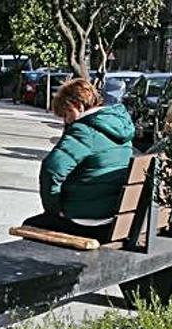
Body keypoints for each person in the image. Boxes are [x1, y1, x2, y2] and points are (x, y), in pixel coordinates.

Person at [23, 78, 136, 241]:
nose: (66, 120)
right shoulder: (121, 125)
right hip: (115, 215)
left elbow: (51, 169)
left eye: (67, 113)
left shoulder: (84, 130)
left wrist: (54, 210)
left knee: (30, 225)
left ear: (78, 105)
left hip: (86, 220)